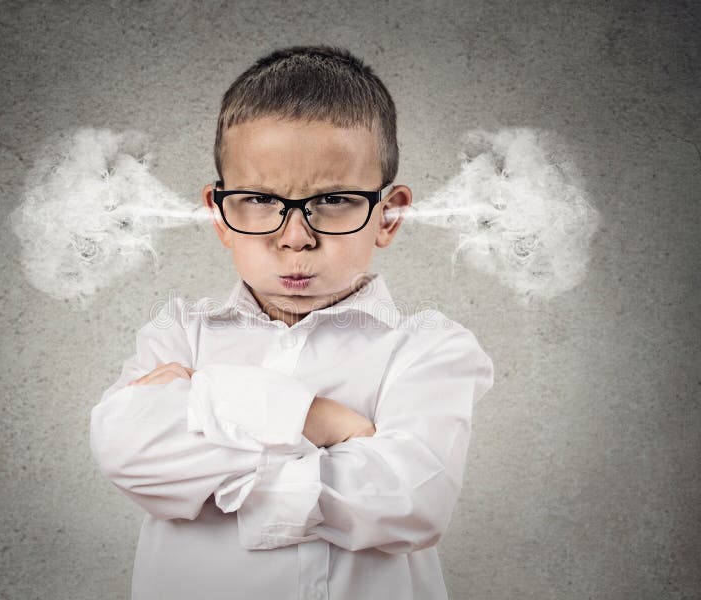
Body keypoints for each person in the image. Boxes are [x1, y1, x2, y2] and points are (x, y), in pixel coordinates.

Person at [90, 44, 494, 600]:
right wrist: (317, 421)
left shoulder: (430, 348)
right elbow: (126, 446)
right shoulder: (180, 329)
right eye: (259, 198)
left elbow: (409, 502)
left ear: (390, 214)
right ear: (219, 215)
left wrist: (205, 409)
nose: (296, 236)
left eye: (333, 199)